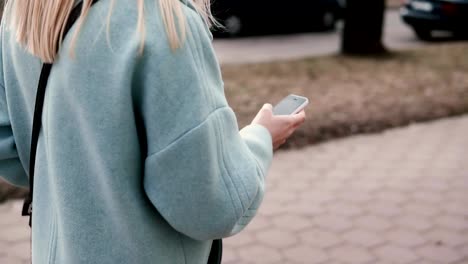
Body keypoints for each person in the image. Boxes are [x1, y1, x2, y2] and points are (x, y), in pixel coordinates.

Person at [0, 0, 306, 263]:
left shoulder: (24, 12)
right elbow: (209, 203)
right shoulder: (158, 21)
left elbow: (10, 149)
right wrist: (261, 137)